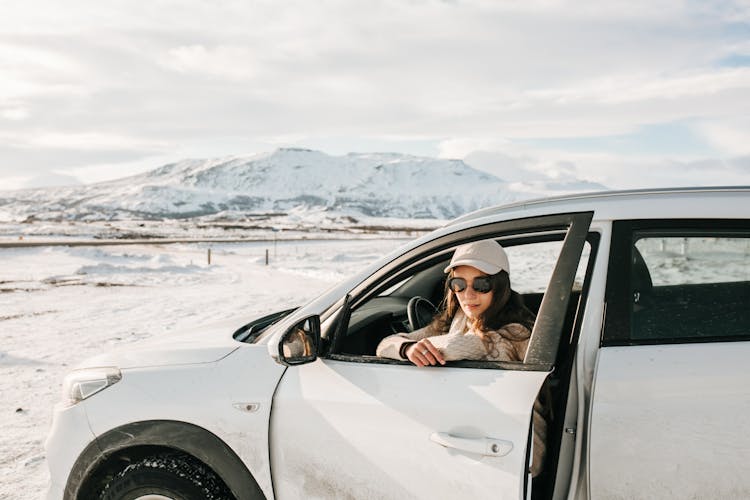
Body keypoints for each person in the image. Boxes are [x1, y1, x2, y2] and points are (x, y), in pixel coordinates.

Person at [376, 239, 548, 477]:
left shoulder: (517, 331)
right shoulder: (458, 317)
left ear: (499, 286)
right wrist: (406, 348)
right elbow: (385, 345)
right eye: (458, 284)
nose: (468, 295)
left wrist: (417, 346)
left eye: (481, 284)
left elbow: (456, 347)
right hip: (481, 441)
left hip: (522, 456)